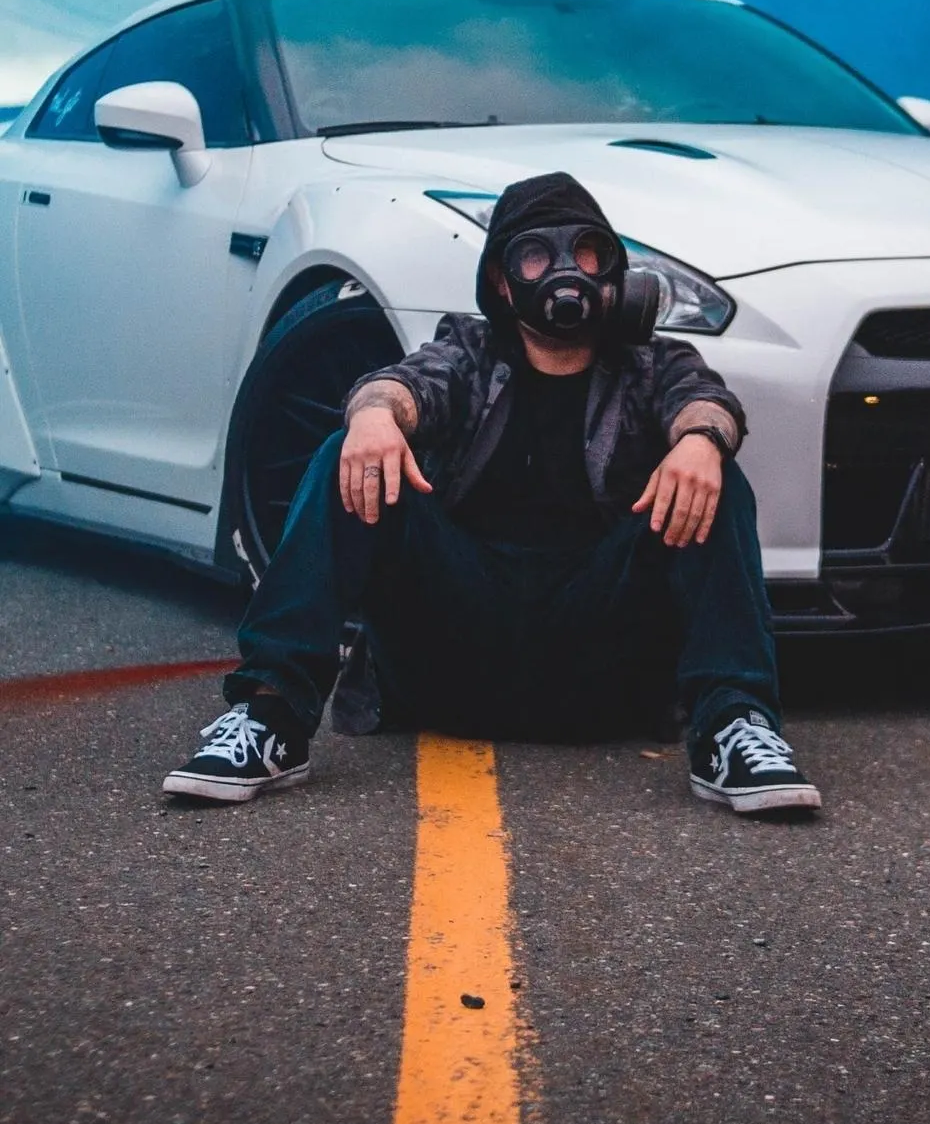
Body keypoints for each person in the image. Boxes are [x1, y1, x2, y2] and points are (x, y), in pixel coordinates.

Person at [164, 172, 820, 814]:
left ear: (613, 271)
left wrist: (701, 441)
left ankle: (735, 726)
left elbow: (705, 402)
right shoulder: (471, 353)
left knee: (712, 473)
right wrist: (372, 414)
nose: (567, 269)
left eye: (586, 251)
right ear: (503, 285)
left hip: (599, 662)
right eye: (536, 255)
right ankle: (271, 715)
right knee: (351, 454)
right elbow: (410, 382)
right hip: (454, 651)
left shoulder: (653, 363)